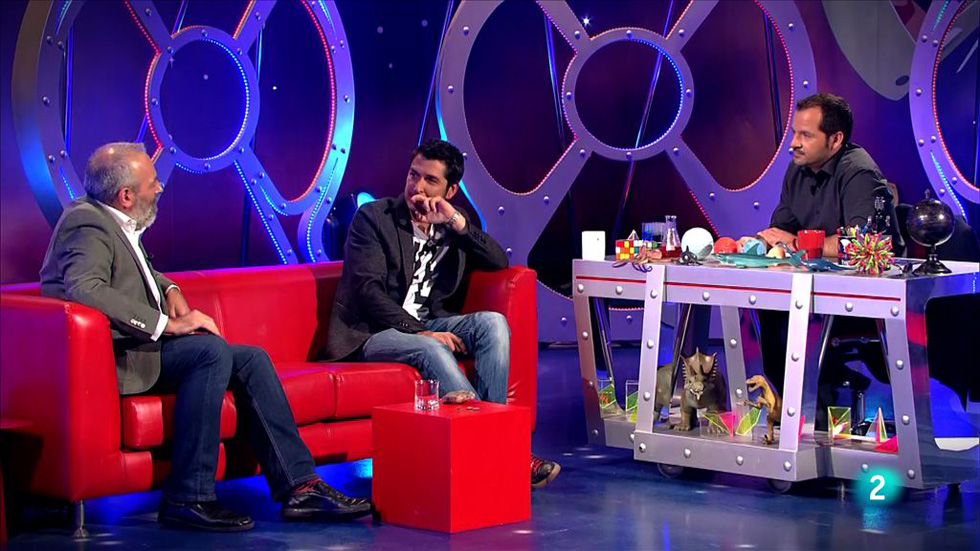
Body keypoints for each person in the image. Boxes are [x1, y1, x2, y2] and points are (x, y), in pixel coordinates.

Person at [39, 142, 371, 532]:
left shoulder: (112, 219)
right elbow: (87, 289)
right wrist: (167, 325)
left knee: (251, 359)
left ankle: (300, 486)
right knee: (209, 352)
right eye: (152, 182)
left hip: (140, 348)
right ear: (126, 195)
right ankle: (188, 496)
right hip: (117, 358)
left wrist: (169, 288)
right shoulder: (86, 224)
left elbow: (130, 269)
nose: (160, 187)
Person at [323, 139, 560, 489]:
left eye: (430, 180)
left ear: (450, 190)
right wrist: (421, 333)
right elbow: (368, 292)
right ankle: (507, 449)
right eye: (413, 174)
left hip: (429, 320)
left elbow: (499, 261)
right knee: (431, 347)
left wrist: (457, 222)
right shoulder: (374, 218)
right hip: (371, 332)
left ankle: (494, 445)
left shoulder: (450, 224)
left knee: (493, 324)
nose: (417, 187)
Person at [739, 94, 902, 403]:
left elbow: (863, 245)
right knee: (766, 305)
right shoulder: (797, 170)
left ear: (835, 139)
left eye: (806, 135)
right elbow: (779, 232)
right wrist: (755, 243)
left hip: (861, 298)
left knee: (784, 313)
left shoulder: (859, 172)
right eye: (794, 134)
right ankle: (784, 405)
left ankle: (809, 402)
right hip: (809, 291)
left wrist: (797, 243)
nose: (794, 144)